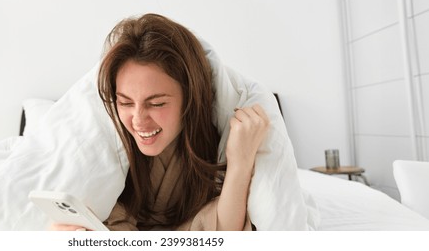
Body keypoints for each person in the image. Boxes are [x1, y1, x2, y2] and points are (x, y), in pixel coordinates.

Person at [54, 13, 269, 231]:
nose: (138, 120)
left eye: (156, 104)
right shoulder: (107, 149)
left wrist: (240, 163)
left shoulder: (216, 144)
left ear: (190, 98)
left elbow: (223, 235)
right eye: (125, 103)